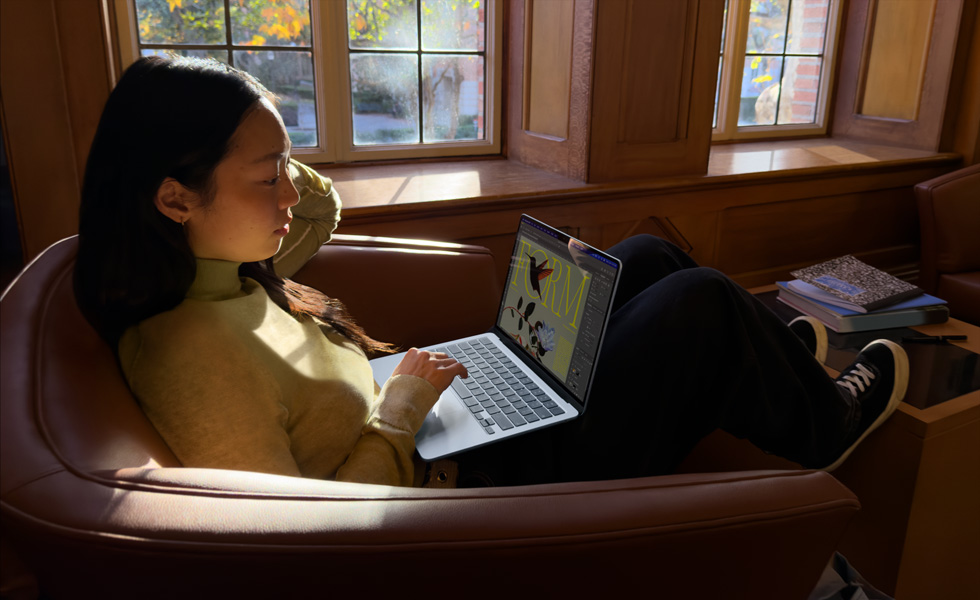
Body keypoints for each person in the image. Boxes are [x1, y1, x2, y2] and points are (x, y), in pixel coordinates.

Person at [75, 55, 908, 488]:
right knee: (702, 303)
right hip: (474, 480)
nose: (292, 192)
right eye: (268, 177)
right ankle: (818, 426)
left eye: (288, 165)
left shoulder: (230, 263)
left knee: (646, 256)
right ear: (174, 198)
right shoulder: (189, 351)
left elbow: (320, 211)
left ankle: (776, 370)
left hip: (444, 416)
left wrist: (263, 142)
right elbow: (294, 528)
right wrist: (399, 415)